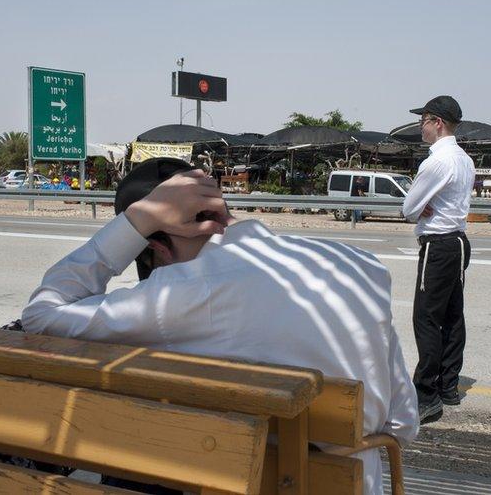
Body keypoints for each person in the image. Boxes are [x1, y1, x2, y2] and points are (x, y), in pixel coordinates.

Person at [22, 158, 418, 495]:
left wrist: (136, 221)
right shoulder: (361, 264)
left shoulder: (188, 289)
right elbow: (403, 422)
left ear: (155, 247)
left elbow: (41, 315)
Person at [401, 96, 475, 423]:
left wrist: (422, 205)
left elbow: (408, 209)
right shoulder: (464, 159)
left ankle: (426, 394)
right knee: (453, 314)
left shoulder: (436, 162)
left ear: (438, 123)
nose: (421, 125)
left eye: (425, 120)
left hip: (438, 245)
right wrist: (425, 203)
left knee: (426, 318)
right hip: (459, 241)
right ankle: (449, 384)